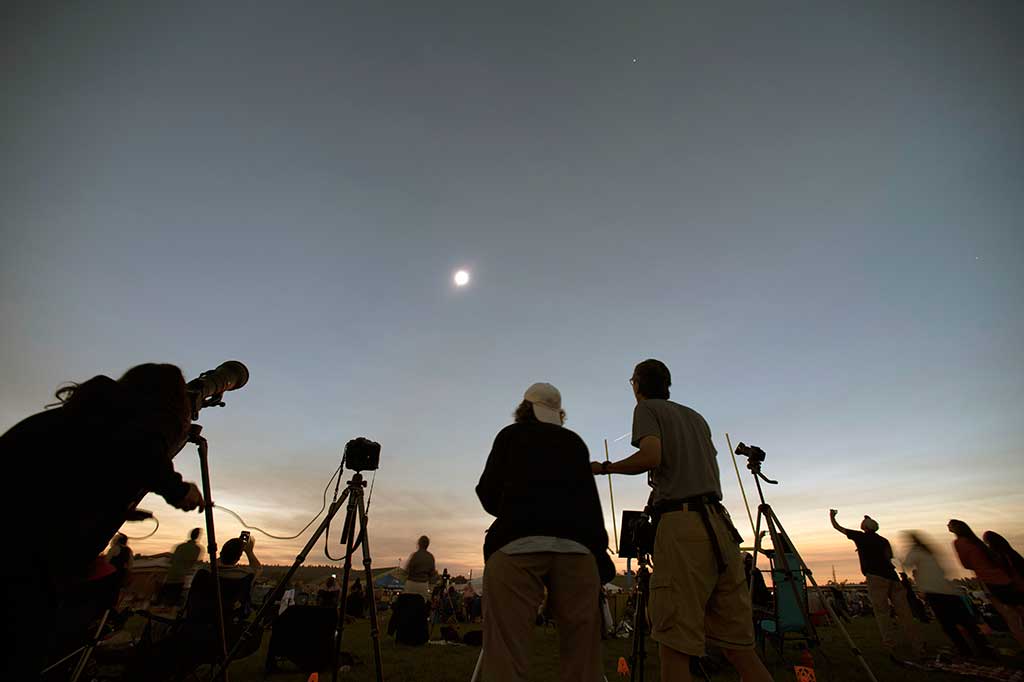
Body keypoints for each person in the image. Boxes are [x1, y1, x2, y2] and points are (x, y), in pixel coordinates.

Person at [595, 360, 771, 682]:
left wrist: (605, 468)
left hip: (682, 527)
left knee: (674, 644)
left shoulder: (647, 409)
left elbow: (651, 457)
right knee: (739, 648)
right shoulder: (696, 418)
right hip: (720, 528)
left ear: (637, 385)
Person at [477, 382, 615, 682]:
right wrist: (600, 555)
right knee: (583, 658)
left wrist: (517, 507)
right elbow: (590, 505)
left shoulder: (509, 436)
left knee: (506, 653)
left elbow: (487, 493)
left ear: (524, 408)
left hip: (516, 546)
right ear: (557, 413)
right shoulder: (575, 443)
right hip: (577, 552)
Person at [830, 510, 923, 659]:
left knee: (882, 613)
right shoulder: (884, 541)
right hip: (892, 577)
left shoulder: (861, 537)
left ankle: (890, 646)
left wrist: (832, 517)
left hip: (875, 577)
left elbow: (838, 528)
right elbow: (891, 558)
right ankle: (917, 646)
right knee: (905, 613)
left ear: (865, 527)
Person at [903, 531, 992, 658]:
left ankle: (965, 650)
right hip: (949, 591)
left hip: (935, 592)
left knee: (948, 625)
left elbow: (906, 564)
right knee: (967, 622)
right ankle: (985, 649)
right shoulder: (930, 553)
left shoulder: (916, 552)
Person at [949, 520, 1024, 647]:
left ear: (956, 528)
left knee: (1010, 616)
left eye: (950, 524)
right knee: (1019, 610)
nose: (947, 526)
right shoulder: (976, 542)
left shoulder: (960, 543)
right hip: (1004, 579)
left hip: (990, 582)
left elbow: (966, 564)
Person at [157, 528, 203, 607]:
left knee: (163, 600)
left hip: (171, 575)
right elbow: (192, 563)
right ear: (198, 536)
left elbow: (172, 560)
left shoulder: (180, 546)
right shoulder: (197, 549)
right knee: (173, 602)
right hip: (181, 577)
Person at [403, 535, 436, 600]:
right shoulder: (430, 557)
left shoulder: (415, 555)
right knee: (421, 607)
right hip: (423, 586)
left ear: (419, 543)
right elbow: (432, 575)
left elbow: (407, 570)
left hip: (411, 584)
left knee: (408, 606)